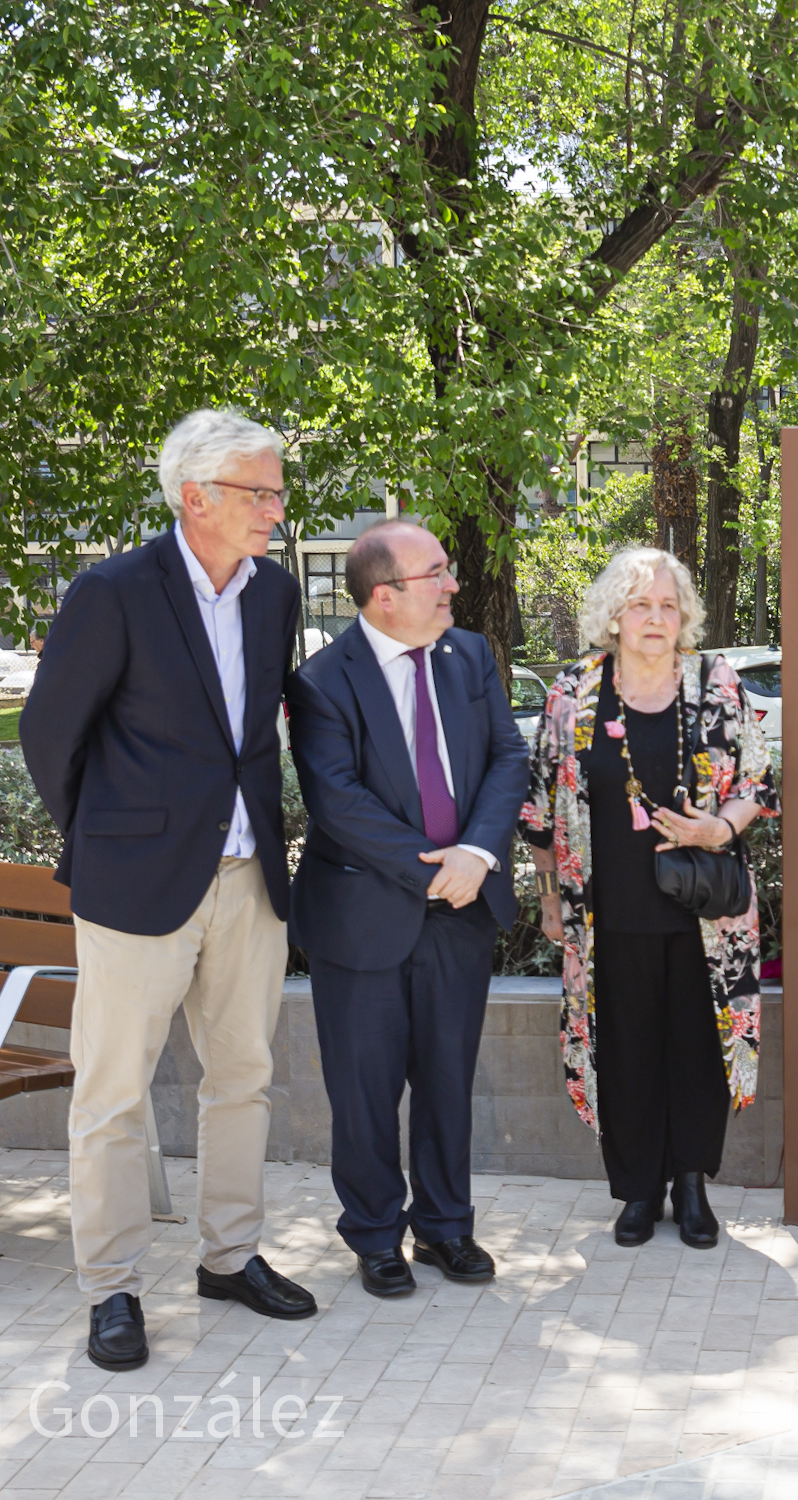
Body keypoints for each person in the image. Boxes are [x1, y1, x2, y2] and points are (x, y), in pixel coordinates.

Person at [19, 409, 314, 1373]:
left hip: (248, 877)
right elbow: (49, 733)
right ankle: (111, 1287)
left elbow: (256, 731)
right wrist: (110, 834)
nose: (275, 509)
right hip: (134, 882)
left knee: (244, 1078)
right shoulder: (113, 591)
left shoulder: (276, 592)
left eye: (276, 491)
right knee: (113, 1093)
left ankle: (230, 1256)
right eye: (258, 492)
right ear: (196, 497)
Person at [286, 520, 529, 1298]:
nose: (453, 584)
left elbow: (507, 756)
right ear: (385, 595)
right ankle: (374, 1233)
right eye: (437, 574)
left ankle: (446, 1226)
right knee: (364, 1088)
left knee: (448, 1077)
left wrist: (477, 854)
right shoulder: (322, 681)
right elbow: (337, 800)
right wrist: (435, 869)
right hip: (362, 915)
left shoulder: (469, 656)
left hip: (462, 907)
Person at [521, 547, 776, 1249]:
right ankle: (638, 1190)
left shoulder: (716, 682)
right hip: (607, 914)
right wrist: (550, 898)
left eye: (668, 604)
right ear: (614, 616)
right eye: (640, 605)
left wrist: (720, 827)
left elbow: (757, 782)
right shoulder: (573, 691)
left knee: (698, 1047)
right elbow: (539, 807)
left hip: (706, 916)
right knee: (625, 1050)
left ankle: (691, 1184)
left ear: (683, 615)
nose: (656, 617)